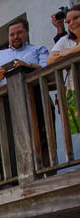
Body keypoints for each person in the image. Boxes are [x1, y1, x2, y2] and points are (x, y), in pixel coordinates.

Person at [0, 19, 49, 90]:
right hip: (5, 98)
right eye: (12, 34)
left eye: (19, 32)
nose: (16, 37)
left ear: (27, 32)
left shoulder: (39, 49)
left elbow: (47, 69)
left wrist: (28, 66)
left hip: (35, 93)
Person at [48, 5, 80, 135]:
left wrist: (66, 53)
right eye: (68, 21)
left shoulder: (66, 45)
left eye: (76, 18)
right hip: (75, 88)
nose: (72, 23)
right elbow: (50, 60)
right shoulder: (65, 40)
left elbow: (60, 55)